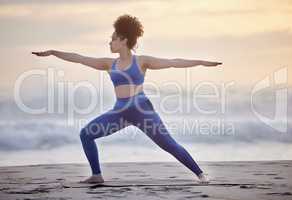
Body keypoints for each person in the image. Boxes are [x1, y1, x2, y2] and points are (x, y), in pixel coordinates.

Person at [32, 14, 222, 185]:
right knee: (86, 134)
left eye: (113, 39)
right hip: (120, 113)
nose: (109, 43)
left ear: (123, 39)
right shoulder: (109, 63)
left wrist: (202, 62)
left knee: (169, 145)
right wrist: (53, 52)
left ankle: (201, 175)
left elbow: (174, 63)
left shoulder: (141, 61)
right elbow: (79, 58)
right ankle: (96, 175)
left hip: (142, 111)